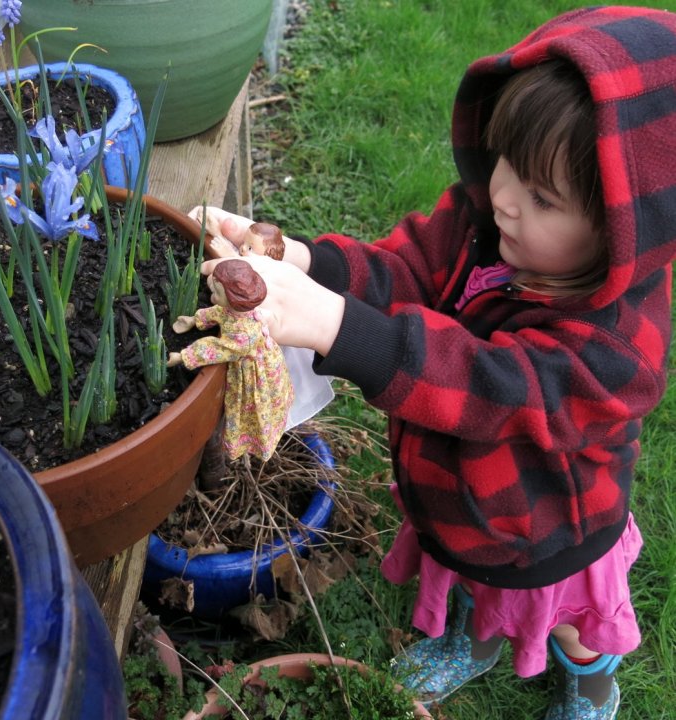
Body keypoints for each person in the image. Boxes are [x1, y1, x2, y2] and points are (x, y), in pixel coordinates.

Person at [189, 6, 676, 717]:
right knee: (477, 587)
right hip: (462, 502)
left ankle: (593, 678)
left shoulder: (615, 351)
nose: (503, 197)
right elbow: (408, 269)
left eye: (542, 197)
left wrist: (334, 324)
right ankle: (475, 641)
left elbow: (487, 386)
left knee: (566, 622)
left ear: (622, 231)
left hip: (544, 530)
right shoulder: (490, 226)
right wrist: (305, 261)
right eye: (506, 161)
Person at [168, 259, 293, 462]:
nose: (212, 293)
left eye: (217, 292)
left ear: (233, 299)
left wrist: (183, 356)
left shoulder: (243, 336)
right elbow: (220, 312)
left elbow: (217, 348)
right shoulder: (237, 312)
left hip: (252, 372)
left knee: (252, 411)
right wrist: (195, 320)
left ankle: (250, 445)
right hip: (257, 355)